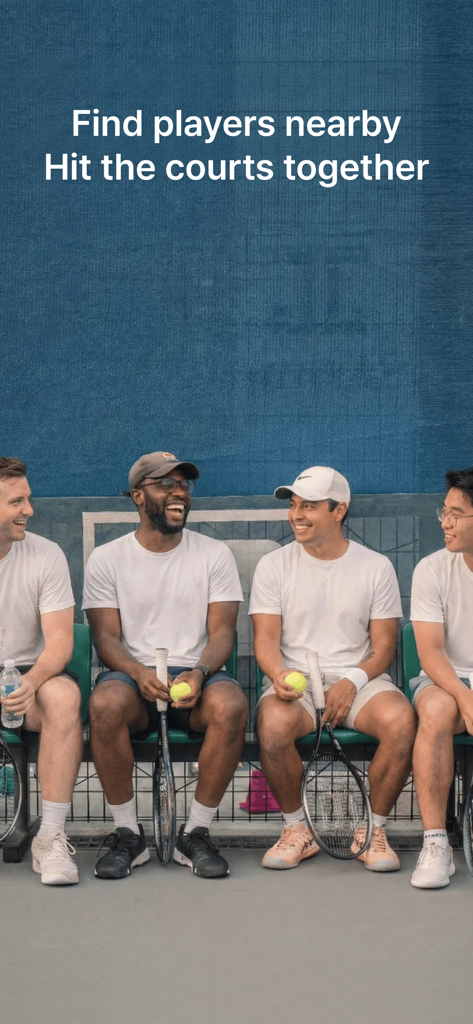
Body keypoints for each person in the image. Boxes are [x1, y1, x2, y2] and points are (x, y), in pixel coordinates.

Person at [84, 450, 247, 880]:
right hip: (132, 674)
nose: (179, 492)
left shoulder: (215, 554)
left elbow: (223, 633)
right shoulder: (106, 558)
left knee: (232, 706)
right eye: (166, 484)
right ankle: (127, 834)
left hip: (198, 674)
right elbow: (105, 638)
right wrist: (138, 674)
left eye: (184, 485)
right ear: (139, 497)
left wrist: (199, 672)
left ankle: (194, 834)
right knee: (103, 705)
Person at [250, 465, 416, 872]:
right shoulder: (272, 565)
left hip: (361, 677)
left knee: (401, 721)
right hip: (296, 681)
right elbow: (266, 642)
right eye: (293, 505)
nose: (296, 515)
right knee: (271, 725)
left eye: (309, 506)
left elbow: (383, 649)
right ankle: (296, 830)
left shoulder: (376, 567)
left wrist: (350, 681)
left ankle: (372, 830)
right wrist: (278, 676)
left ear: (338, 510)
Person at [0, 457, 82, 884]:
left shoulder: (46, 554)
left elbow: (61, 645)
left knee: (64, 697)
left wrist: (29, 684)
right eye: (17, 501)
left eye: (28, 499)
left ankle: (49, 837)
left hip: (26, 674)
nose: (29, 510)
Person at [410, 466, 473, 889]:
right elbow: (430, 651)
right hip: (449, 681)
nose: (445, 522)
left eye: (456, 513)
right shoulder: (432, 569)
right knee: (435, 707)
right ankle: (436, 845)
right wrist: (465, 699)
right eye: (443, 511)